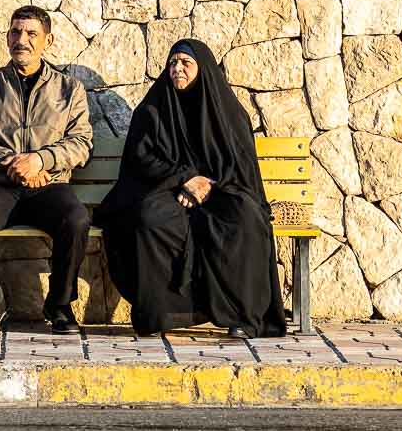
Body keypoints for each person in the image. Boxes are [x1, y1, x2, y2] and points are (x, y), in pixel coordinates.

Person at [96, 38, 286, 339]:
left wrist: (208, 185)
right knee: (150, 219)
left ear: (203, 70)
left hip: (220, 190)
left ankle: (244, 317)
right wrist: (184, 178)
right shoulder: (152, 110)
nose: (177, 68)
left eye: (185, 63)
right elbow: (142, 159)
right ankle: (167, 313)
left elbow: (241, 167)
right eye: (173, 62)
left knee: (245, 217)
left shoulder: (229, 114)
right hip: (167, 190)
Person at [0, 6, 93, 335]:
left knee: (76, 219)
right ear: (7, 37)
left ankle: (59, 304)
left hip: (48, 186)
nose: (22, 40)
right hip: (0, 186)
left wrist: (40, 160)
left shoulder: (69, 89)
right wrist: (12, 163)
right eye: (16, 32)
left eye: (32, 34)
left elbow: (82, 142)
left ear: (48, 40)